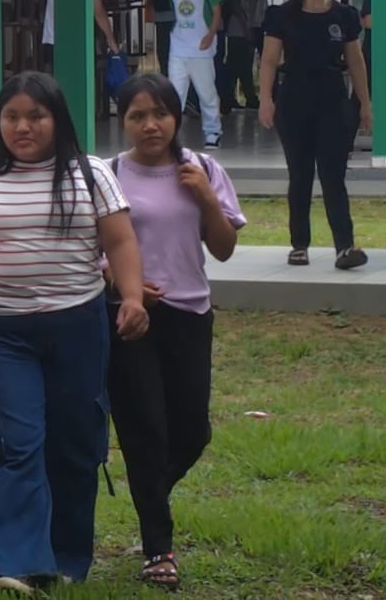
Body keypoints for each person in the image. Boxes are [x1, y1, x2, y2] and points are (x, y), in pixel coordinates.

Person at [0, 71, 147, 596]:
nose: (22, 126)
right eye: (11, 116)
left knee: (76, 442)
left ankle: (67, 557)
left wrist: (131, 297)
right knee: (15, 441)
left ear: (57, 119)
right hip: (2, 331)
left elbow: (121, 241)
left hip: (78, 324)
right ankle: (18, 560)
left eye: (35, 115)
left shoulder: (89, 174)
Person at [108, 73, 244, 591]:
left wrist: (207, 198)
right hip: (132, 315)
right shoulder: (110, 174)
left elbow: (225, 247)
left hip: (190, 313)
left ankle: (150, 494)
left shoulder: (203, 168)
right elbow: (97, 246)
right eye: (138, 116)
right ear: (123, 122)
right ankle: (158, 548)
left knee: (192, 430)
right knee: (145, 429)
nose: (150, 125)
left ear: (176, 117)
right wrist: (127, 283)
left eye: (160, 114)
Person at [258, 0, 371, 270]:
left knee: (333, 174)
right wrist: (266, 99)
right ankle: (299, 244)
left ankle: (344, 247)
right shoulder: (282, 15)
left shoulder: (344, 15)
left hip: (332, 99)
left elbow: (356, 61)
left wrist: (365, 103)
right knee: (301, 173)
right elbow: (268, 60)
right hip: (294, 98)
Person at [166, 0, 225, 149]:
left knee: (206, 91)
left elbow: (217, 10)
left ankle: (213, 131)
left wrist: (210, 34)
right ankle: (170, 133)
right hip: (178, 47)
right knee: (174, 93)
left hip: (201, 47)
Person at [33, 0, 119, 70]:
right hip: (82, 38)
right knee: (84, 78)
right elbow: (98, 11)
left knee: (60, 78)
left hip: (54, 38)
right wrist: (110, 38)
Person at [217, 0, 269, 111]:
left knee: (243, 64)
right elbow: (235, 6)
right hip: (237, 27)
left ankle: (241, 97)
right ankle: (230, 98)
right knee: (236, 64)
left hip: (245, 25)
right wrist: (246, 28)